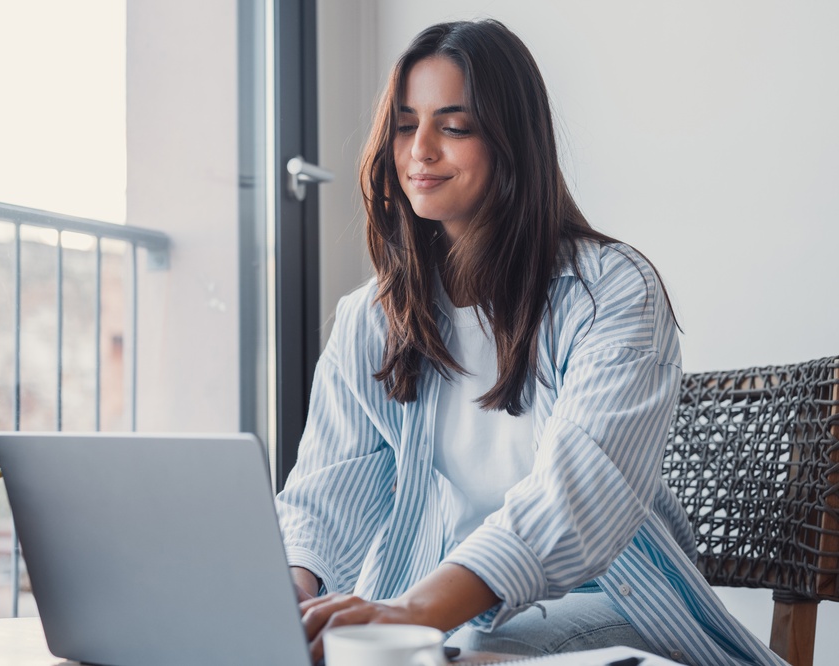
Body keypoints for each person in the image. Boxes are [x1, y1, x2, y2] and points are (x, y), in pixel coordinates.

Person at [275, 19, 783, 666]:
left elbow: (575, 501)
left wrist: (410, 614)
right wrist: (289, 609)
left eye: (453, 126)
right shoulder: (370, 316)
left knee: (471, 642)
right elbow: (326, 495)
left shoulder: (611, 293)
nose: (420, 150)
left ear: (512, 141)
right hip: (429, 612)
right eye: (406, 125)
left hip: (610, 602)